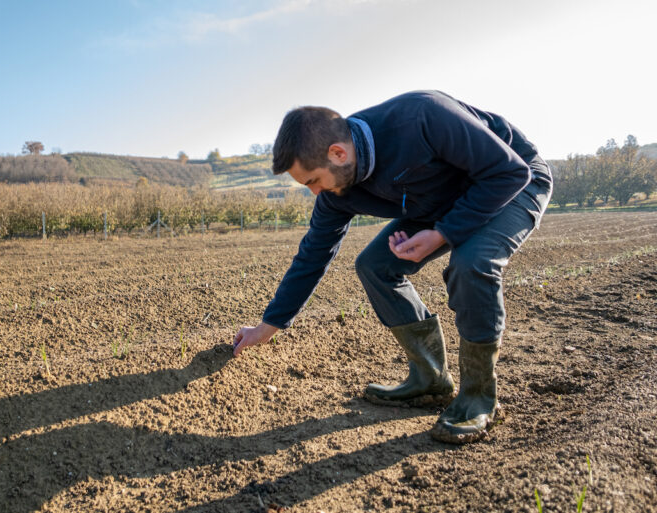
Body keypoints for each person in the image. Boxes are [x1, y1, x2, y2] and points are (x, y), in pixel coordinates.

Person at [232, 90, 552, 444]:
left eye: (312, 181)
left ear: (338, 154)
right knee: (374, 265)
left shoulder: (422, 116)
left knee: (472, 263)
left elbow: (508, 172)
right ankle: (430, 380)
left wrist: (443, 233)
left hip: (512, 179)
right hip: (440, 201)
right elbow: (312, 255)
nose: (313, 193)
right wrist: (269, 325)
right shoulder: (336, 193)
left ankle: (478, 397)